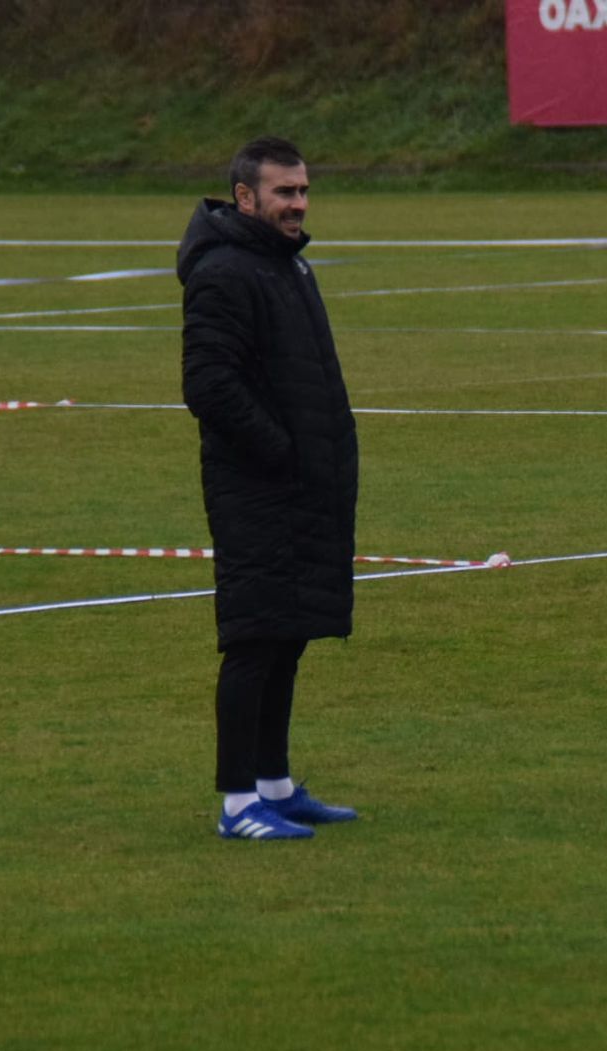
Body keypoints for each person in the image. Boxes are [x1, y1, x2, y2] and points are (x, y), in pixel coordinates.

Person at [178, 136, 361, 841]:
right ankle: (235, 803)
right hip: (258, 487)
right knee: (255, 639)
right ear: (245, 197)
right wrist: (281, 452)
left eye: (304, 191)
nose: (299, 204)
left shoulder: (287, 266)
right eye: (285, 193)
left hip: (303, 485)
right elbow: (208, 384)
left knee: (288, 633)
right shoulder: (225, 272)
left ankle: (275, 784)